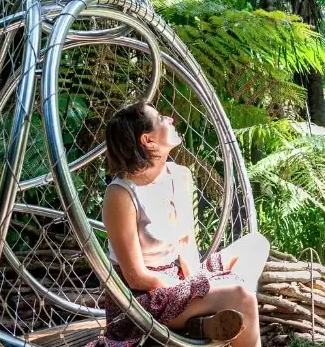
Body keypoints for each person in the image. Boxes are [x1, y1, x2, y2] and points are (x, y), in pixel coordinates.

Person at [89, 101, 270, 347]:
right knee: (243, 296)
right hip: (143, 300)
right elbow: (136, 278)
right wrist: (196, 287)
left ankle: (202, 320)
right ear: (148, 140)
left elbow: (187, 245)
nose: (171, 119)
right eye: (161, 118)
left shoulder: (180, 175)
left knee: (256, 245)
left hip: (180, 280)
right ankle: (208, 318)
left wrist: (197, 282)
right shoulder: (121, 194)